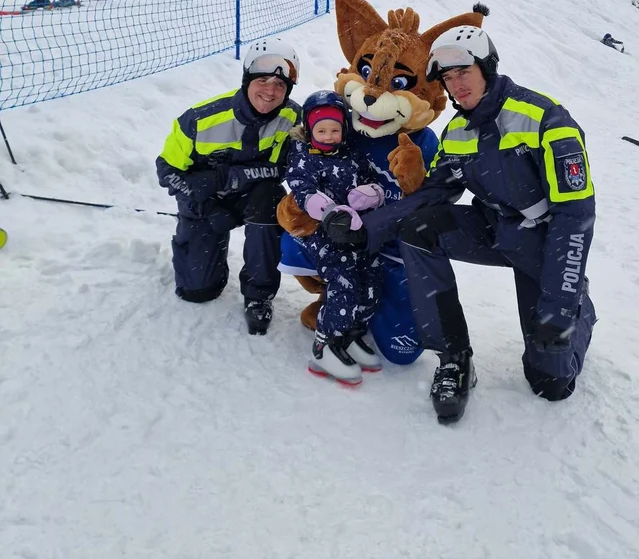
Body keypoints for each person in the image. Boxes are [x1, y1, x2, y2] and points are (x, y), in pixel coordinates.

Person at [324, 27, 597, 424]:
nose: (456, 85)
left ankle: (577, 308)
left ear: (486, 67)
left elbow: (575, 218)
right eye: (447, 78)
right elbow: (431, 194)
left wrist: (559, 304)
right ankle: (454, 357)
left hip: (544, 242)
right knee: (419, 229)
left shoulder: (544, 118)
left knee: (551, 383)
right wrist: (367, 228)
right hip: (495, 229)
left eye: (462, 72)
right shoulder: (458, 131)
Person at [156, 37, 302, 335]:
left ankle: (258, 295)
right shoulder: (199, 119)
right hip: (206, 203)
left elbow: (286, 168)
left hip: (254, 197)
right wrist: (203, 203)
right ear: (246, 79)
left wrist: (234, 176)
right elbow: (166, 171)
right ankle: (208, 248)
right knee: (197, 290)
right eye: (262, 80)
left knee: (272, 199)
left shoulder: (294, 117)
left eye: (280, 85)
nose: (270, 91)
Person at [287, 90, 386, 385]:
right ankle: (325, 344)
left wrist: (371, 194)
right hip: (322, 232)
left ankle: (351, 332)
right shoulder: (305, 158)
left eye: (334, 129)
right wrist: (331, 212)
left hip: (355, 231)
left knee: (372, 275)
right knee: (344, 278)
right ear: (309, 130)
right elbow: (303, 191)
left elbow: (372, 181)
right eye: (321, 130)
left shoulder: (352, 154)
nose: (329, 136)